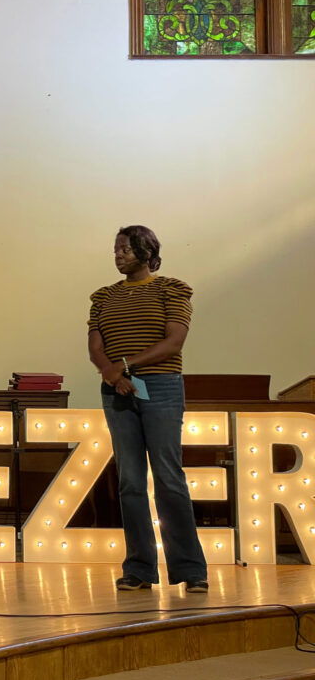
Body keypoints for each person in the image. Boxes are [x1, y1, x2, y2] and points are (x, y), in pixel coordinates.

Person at [87, 225, 208, 594]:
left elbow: (174, 341)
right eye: (116, 249)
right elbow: (95, 346)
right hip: (117, 390)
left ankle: (190, 569)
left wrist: (125, 365)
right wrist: (112, 373)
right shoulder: (104, 296)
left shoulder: (171, 288)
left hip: (161, 388)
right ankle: (139, 569)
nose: (119, 254)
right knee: (130, 483)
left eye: (126, 248)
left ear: (146, 250)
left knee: (169, 479)